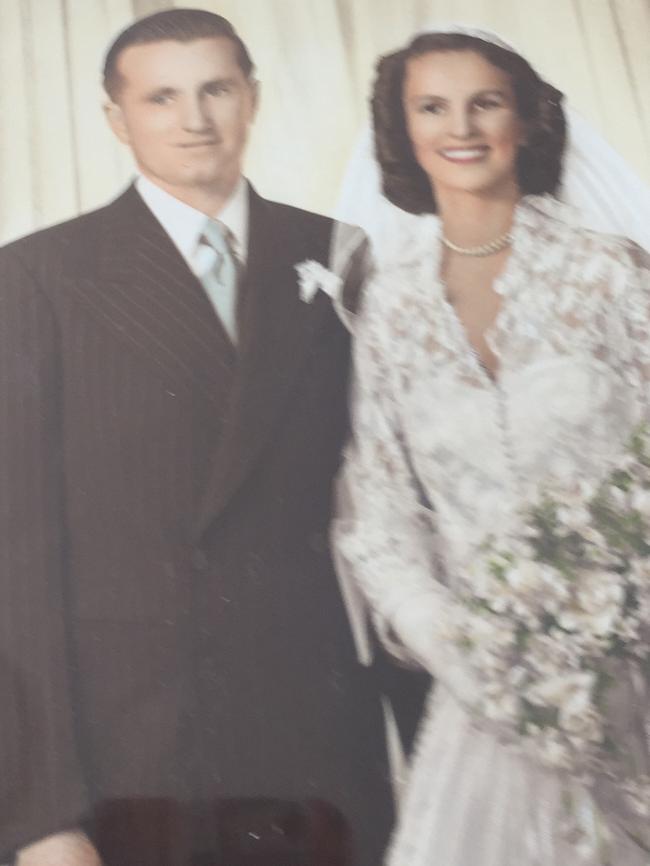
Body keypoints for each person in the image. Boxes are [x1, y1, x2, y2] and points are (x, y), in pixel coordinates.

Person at [0, 9, 395, 866]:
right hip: (134, 750)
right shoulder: (38, 275)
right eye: (162, 97)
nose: (195, 119)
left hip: (314, 734)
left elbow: (393, 492)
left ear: (251, 97)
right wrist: (39, 814)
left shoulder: (335, 252)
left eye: (216, 89)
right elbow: (17, 563)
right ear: (116, 119)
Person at [333, 26, 650, 866]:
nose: (460, 127)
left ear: (527, 121)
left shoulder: (611, 274)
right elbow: (380, 517)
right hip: (486, 695)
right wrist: (461, 644)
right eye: (431, 107)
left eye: (485, 102)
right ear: (402, 133)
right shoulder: (390, 309)